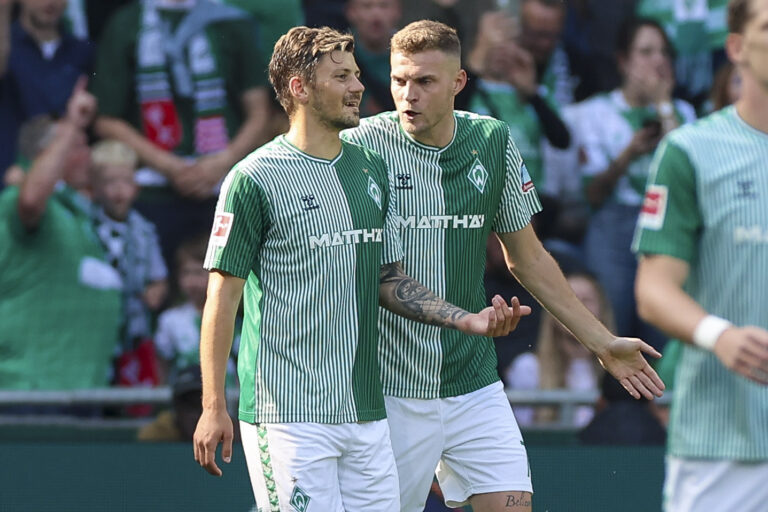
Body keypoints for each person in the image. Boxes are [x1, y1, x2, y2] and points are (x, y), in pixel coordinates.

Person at [192, 26, 526, 512]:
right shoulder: (253, 178)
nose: (358, 87)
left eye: (355, 74)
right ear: (300, 88)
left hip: (366, 413)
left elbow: (387, 277)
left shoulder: (370, 169)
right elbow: (221, 300)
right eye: (341, 76)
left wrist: (466, 319)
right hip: (287, 413)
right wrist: (212, 404)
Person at [341, 20, 665, 512]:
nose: (409, 95)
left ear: (458, 82)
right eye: (399, 79)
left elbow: (528, 256)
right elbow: (377, 274)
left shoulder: (491, 141)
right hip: (389, 388)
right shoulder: (361, 147)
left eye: (425, 81)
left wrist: (601, 342)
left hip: (474, 383)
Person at [633, 0, 768, 510]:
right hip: (721, 441)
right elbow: (653, 290)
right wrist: (721, 335)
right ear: (737, 48)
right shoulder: (691, 151)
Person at [90, 0, 273, 265]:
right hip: (152, 191)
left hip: (223, 189)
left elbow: (260, 114)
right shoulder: (126, 23)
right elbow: (106, 119)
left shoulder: (232, 21)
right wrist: (172, 167)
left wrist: (220, 164)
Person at [578, 18, 696, 346]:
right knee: (612, 327)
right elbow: (592, 193)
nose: (658, 61)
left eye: (663, 52)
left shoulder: (683, 113)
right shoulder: (595, 113)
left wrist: (663, 107)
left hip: (669, 231)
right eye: (646, 52)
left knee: (667, 331)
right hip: (613, 227)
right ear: (623, 61)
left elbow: (692, 180)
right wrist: (628, 154)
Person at [0, 79, 122, 391]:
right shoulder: (20, 200)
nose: (88, 155)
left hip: (83, 393)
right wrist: (72, 122)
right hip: (29, 393)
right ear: (46, 153)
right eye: (77, 146)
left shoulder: (77, 212)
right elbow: (30, 199)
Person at [90, 139, 168, 358]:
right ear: (94, 187)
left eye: (125, 181)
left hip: (134, 331)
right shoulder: (86, 224)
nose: (118, 189)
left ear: (136, 187)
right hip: (96, 324)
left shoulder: (144, 231)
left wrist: (155, 292)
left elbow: (158, 278)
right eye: (109, 181)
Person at [0, 0, 93, 179]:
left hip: (65, 182)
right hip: (10, 176)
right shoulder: (6, 46)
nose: (50, 2)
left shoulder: (82, 51)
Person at [506, 272, 607, 427]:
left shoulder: (615, 373)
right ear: (551, 311)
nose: (579, 309)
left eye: (587, 300)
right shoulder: (528, 367)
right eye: (569, 300)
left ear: (602, 309)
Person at [154, 233, 239, 387]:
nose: (191, 282)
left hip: (228, 402)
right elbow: (162, 370)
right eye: (186, 273)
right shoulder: (170, 321)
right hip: (186, 401)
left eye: (199, 273)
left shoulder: (234, 316)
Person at [344, 0, 401, 116]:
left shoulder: (413, 56)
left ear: (397, 11)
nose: (376, 13)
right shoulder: (336, 55)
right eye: (367, 6)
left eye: (384, 6)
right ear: (351, 11)